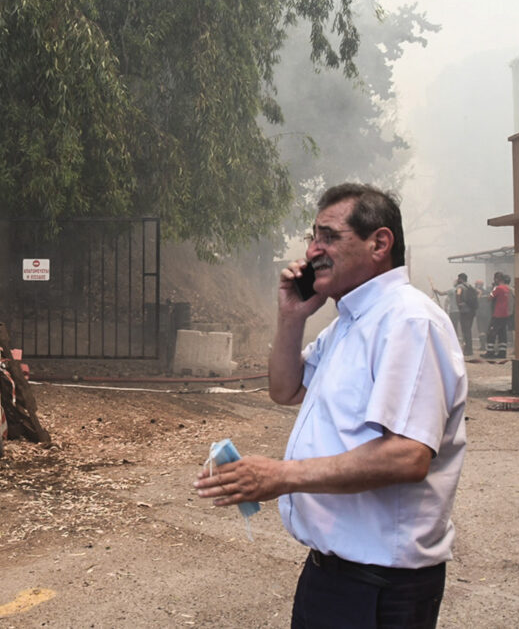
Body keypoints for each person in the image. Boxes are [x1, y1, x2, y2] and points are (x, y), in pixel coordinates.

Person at [194, 183, 467, 629]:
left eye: (329, 236)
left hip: (380, 585)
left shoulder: (407, 321)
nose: (312, 250)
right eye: (312, 236)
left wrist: (279, 476)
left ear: (380, 243)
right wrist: (291, 317)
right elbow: (285, 388)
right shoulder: (352, 322)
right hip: (331, 572)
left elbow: (408, 455)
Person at [483, 271, 512, 359]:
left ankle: (490, 352)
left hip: (497, 314)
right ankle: (502, 352)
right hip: (506, 314)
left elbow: (490, 298)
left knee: (491, 333)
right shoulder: (507, 288)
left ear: (496, 279)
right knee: (502, 333)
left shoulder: (498, 288)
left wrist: (493, 288)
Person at [452, 272, 477, 356]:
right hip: (472, 311)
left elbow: (458, 294)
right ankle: (469, 349)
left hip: (464, 311)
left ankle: (467, 350)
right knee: (468, 330)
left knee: (465, 330)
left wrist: (459, 303)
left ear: (460, 279)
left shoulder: (460, 286)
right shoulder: (470, 286)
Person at [474, 280, 491, 352]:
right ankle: (488, 345)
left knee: (481, 330)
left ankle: (483, 346)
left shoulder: (476, 293)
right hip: (488, 313)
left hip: (480, 313)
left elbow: (475, 302)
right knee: (486, 329)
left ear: (478, 285)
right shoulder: (487, 292)